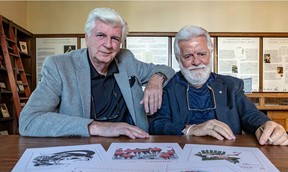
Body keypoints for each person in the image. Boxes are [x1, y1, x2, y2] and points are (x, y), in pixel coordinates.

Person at [19, 8, 175, 138]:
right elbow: (29, 120)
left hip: (129, 146)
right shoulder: (59, 66)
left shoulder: (126, 59)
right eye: (101, 36)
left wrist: (156, 79)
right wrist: (96, 127)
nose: (108, 45)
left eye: (115, 38)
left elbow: (168, 70)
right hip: (82, 149)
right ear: (87, 38)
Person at [149, 25, 288, 146]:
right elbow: (157, 125)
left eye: (202, 54)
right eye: (188, 56)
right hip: (183, 156)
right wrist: (190, 129)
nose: (196, 62)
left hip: (228, 155)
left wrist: (264, 125)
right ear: (178, 59)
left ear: (211, 53)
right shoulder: (168, 87)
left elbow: (250, 114)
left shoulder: (231, 85)